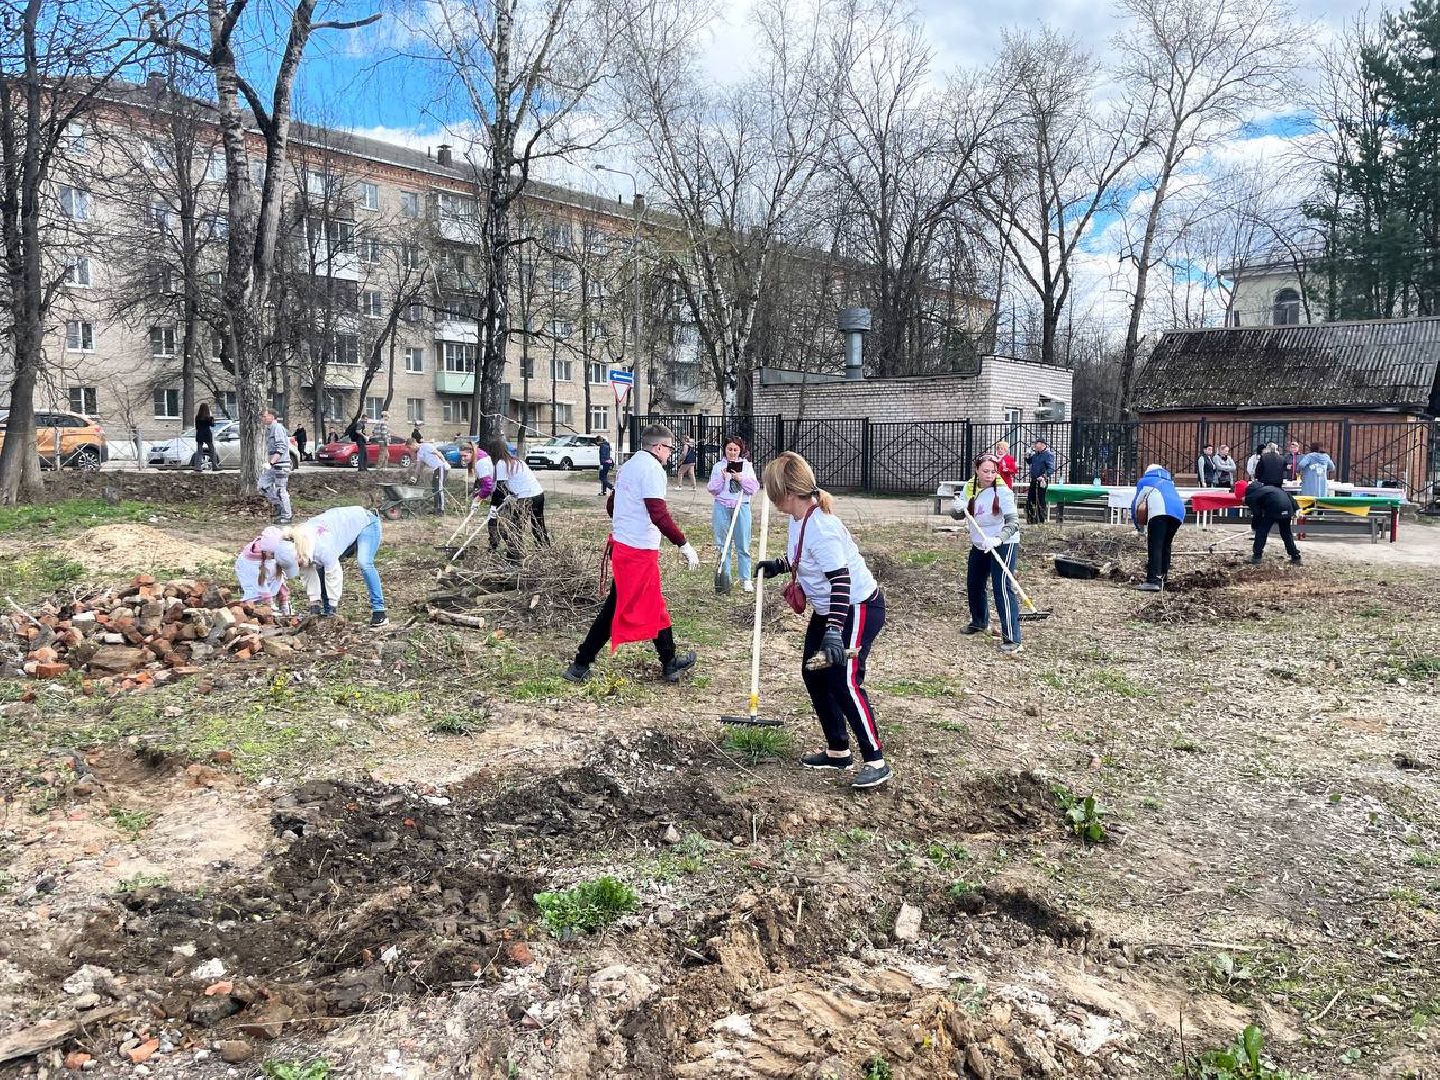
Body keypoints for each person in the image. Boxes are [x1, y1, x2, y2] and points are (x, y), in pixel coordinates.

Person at [756, 452, 890, 790]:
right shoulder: (799, 519)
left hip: (857, 607)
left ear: (787, 492)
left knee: (843, 680)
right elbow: (802, 554)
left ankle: (875, 759)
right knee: (813, 672)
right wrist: (780, 565)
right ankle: (837, 751)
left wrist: (833, 632)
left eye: (773, 491)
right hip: (830, 608)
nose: (771, 499)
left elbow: (841, 582)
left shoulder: (823, 527)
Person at [563, 424, 699, 685]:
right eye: (669, 448)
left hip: (626, 547)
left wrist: (626, 524)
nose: (671, 454)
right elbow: (658, 513)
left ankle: (669, 662)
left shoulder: (628, 466)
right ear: (658, 447)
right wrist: (683, 544)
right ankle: (580, 663)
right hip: (638, 552)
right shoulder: (652, 470)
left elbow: (612, 505)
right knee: (617, 607)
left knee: (653, 604)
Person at [952, 453, 1023, 655]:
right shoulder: (969, 487)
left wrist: (999, 539)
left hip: (1003, 543)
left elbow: (1013, 523)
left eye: (993, 471)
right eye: (985, 471)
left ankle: (1012, 638)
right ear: (977, 470)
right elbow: (958, 515)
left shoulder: (1003, 492)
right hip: (980, 543)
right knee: (974, 582)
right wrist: (957, 509)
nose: (990, 475)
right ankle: (979, 621)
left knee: (1001, 587)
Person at [283, 505, 389, 625]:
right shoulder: (296, 544)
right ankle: (326, 610)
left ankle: (379, 611)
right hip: (338, 528)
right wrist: (314, 604)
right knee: (319, 565)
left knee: (364, 562)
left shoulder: (323, 547)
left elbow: (334, 574)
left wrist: (334, 607)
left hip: (367, 522)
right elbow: (307, 572)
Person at [707, 434, 761, 593]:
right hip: (722, 507)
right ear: (725, 450)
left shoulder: (746, 467)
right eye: (729, 449)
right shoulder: (718, 466)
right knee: (723, 545)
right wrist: (723, 478)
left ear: (740, 450)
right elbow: (712, 489)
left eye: (735, 449)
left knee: (743, 545)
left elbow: (753, 489)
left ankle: (746, 580)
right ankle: (725, 579)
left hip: (741, 507)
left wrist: (740, 478)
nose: (732, 452)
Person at [488, 439, 549, 556]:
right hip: (538, 494)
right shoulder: (517, 461)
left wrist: (493, 507)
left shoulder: (501, 464)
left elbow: (500, 490)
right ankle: (544, 551)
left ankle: (514, 555)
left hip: (525, 498)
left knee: (515, 526)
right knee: (538, 524)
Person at [1130, 464, 1184, 592]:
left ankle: (1153, 580)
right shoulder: (1169, 482)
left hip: (1159, 513)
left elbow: (1136, 504)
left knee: (1155, 545)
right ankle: (1163, 578)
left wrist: (1139, 527)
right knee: (1166, 545)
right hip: (1178, 513)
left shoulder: (1144, 481)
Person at [235, 527, 299, 613]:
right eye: (272, 554)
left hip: (264, 572)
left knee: (275, 578)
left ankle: (281, 604)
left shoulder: (273, 555)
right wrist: (269, 603)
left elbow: (279, 578)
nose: (274, 557)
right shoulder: (251, 564)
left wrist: (284, 597)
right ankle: (256, 607)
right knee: (255, 593)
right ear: (264, 550)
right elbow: (260, 584)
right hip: (253, 577)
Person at [1245, 479, 1302, 565]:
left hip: (1274, 508)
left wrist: (1255, 526)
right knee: (1286, 533)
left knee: (1262, 531)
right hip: (1288, 508)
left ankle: (1257, 556)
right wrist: (1296, 509)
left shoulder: (1252, 496)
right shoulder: (1274, 488)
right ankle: (1295, 556)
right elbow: (1289, 496)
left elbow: (1257, 514)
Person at [259, 408, 293, 525]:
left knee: (280, 489)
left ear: (272, 417)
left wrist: (271, 463)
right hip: (274, 465)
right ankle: (278, 505)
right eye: (262, 416)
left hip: (281, 464)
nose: (262, 418)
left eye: (265, 416)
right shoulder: (269, 429)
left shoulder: (277, 428)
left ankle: (287, 516)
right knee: (263, 485)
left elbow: (281, 447)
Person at [408, 435, 448, 514]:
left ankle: (441, 510)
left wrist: (445, 462)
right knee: (434, 489)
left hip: (440, 467)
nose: (410, 449)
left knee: (439, 489)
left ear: (413, 444)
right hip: (435, 469)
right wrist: (415, 476)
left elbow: (438, 453)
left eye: (410, 447)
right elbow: (419, 466)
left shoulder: (426, 446)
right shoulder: (419, 453)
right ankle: (436, 508)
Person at [1024, 437, 1055, 525]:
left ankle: (1040, 520)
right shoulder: (1035, 454)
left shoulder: (1048, 454)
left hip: (1042, 481)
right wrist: (1026, 456)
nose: (1035, 445)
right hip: (1034, 480)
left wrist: (1044, 476)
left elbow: (1051, 468)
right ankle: (1031, 519)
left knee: (1040, 500)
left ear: (1043, 445)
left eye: (1036, 443)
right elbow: (1030, 462)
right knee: (1030, 499)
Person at [194, 403, 219, 473]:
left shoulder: (197, 417)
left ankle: (198, 467)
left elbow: (196, 427)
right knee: (212, 450)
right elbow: (213, 425)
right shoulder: (208, 418)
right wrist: (212, 418)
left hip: (199, 434)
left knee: (199, 451)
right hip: (207, 434)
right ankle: (215, 466)